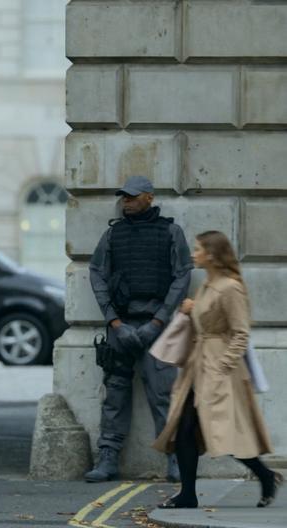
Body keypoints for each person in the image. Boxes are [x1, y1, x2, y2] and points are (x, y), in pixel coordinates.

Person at [153, 231, 282, 508]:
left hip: (219, 370)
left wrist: (223, 366)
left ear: (211, 254)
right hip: (197, 367)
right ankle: (187, 495)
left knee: (226, 432)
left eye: (198, 249)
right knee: (185, 429)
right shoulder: (209, 284)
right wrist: (193, 308)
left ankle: (265, 475)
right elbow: (212, 317)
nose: (193, 253)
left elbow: (240, 332)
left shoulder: (231, 287)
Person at [85, 175, 192, 483]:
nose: (126, 202)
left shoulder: (171, 232)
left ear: (149, 197)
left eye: (132, 196)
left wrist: (157, 322)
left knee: (163, 394)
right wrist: (115, 323)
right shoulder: (112, 236)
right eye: (123, 197)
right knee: (115, 394)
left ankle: (175, 457)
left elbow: (182, 276)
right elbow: (96, 274)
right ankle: (108, 457)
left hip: (158, 327)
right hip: (121, 326)